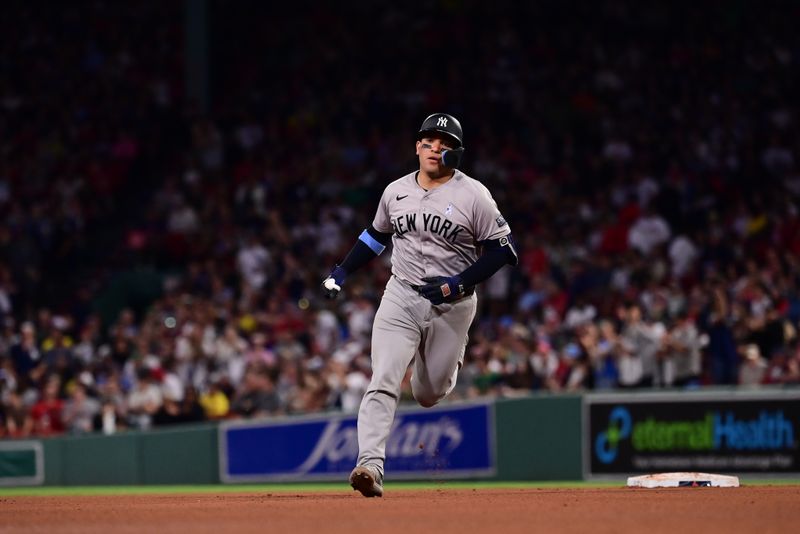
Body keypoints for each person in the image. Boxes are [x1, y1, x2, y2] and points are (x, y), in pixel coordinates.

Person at [322, 113, 518, 497]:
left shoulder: (473, 195)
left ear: (455, 153)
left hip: (453, 303)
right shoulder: (395, 191)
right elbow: (375, 236)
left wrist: (456, 284)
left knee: (428, 393)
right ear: (417, 146)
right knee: (383, 379)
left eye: (443, 144)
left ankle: (432, 376)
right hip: (402, 294)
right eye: (428, 141)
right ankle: (370, 466)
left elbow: (503, 251)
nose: (434, 149)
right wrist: (342, 272)